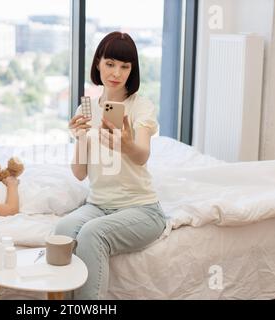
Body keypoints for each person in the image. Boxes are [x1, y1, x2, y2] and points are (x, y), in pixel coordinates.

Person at [55, 31, 167, 300]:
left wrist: (125, 143)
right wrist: (81, 137)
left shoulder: (141, 107)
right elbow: (79, 173)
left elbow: (141, 156)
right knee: (62, 231)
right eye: (110, 63)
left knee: (93, 234)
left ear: (132, 70)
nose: (116, 72)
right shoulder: (87, 108)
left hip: (141, 209)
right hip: (98, 205)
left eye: (125, 66)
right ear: (98, 64)